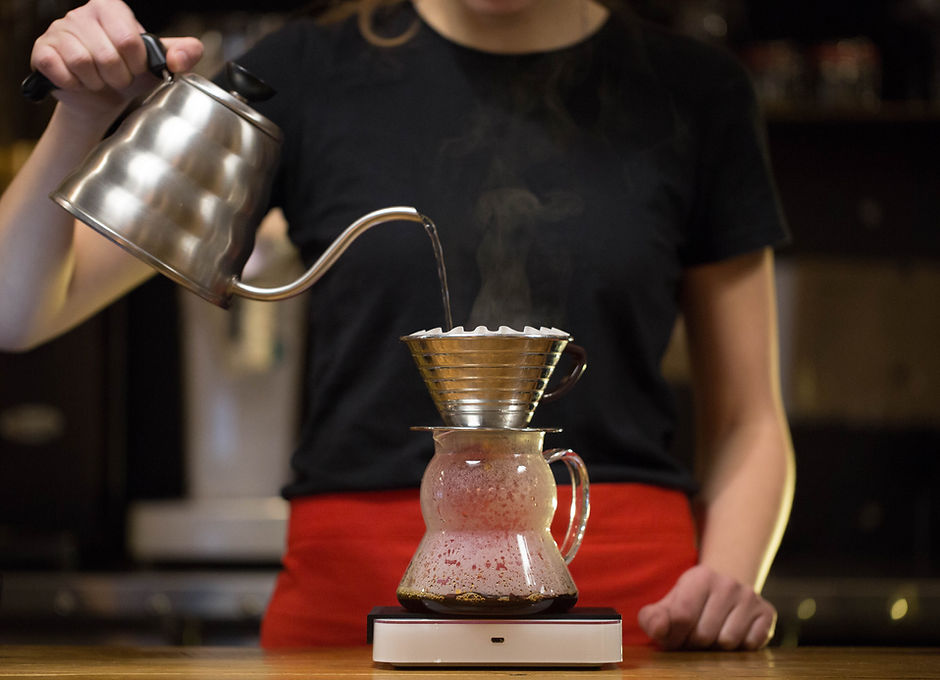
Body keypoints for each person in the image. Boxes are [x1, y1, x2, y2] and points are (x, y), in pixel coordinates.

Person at [0, 0, 795, 651]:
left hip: (628, 613)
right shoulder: (306, 74)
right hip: (351, 611)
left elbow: (747, 419)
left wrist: (727, 582)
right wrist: (81, 117)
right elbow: (17, 311)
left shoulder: (697, 90)